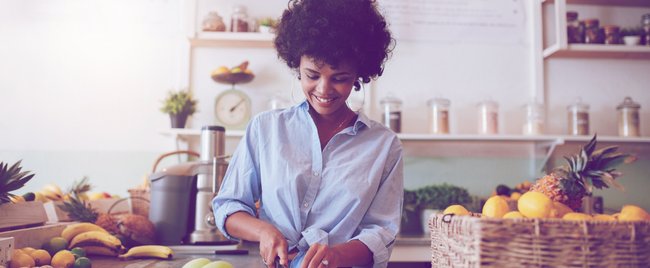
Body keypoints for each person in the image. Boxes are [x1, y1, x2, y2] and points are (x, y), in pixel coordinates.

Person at [212, 0, 402, 267]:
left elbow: (381, 232)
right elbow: (228, 206)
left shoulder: (384, 146)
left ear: (358, 75)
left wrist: (336, 255)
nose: (324, 89)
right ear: (296, 66)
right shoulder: (265, 129)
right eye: (312, 75)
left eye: (340, 78)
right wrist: (264, 231)